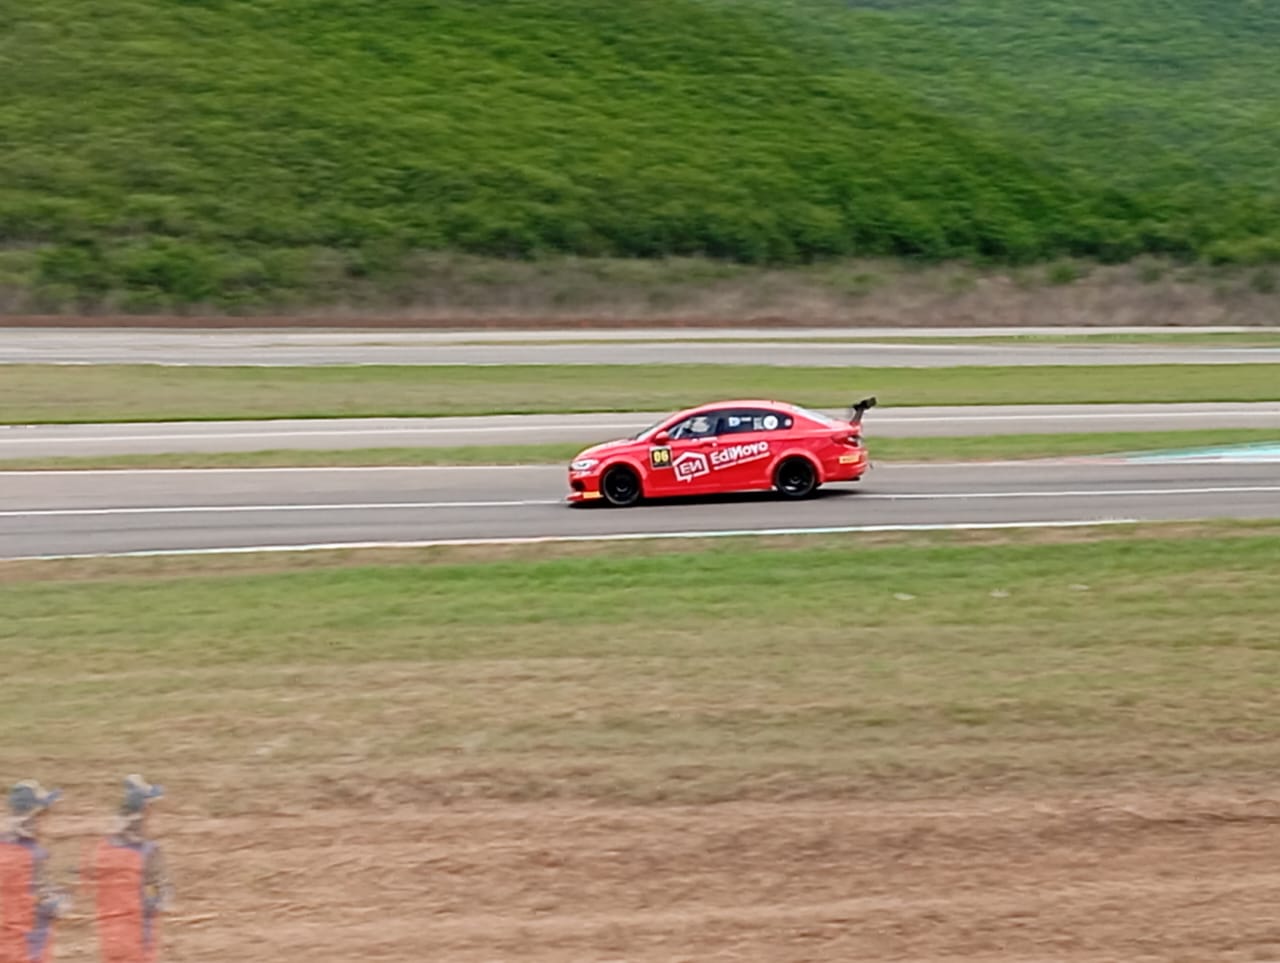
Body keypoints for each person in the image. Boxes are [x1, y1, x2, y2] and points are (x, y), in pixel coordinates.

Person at [88, 776, 172, 963]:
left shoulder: (103, 847)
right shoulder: (149, 851)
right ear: (144, 813)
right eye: (150, 808)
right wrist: (155, 903)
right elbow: (163, 891)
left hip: (110, 929)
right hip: (137, 929)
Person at [0, 781, 69, 963]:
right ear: (33, 817)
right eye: (43, 815)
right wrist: (61, 901)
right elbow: (45, 901)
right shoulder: (30, 855)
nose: (47, 820)